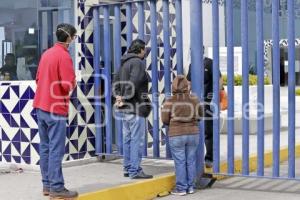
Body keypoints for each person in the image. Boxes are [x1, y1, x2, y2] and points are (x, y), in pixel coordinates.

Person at [33, 23, 78, 199]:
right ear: (68, 38)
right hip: (55, 109)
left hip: (40, 107)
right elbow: (67, 85)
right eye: (73, 37)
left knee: (45, 147)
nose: (73, 41)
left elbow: (38, 79)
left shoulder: (46, 54)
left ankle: (47, 185)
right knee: (56, 150)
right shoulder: (64, 56)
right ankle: (57, 188)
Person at [113, 39, 153, 179]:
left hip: (124, 109)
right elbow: (134, 82)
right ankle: (135, 170)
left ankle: (127, 167)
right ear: (140, 50)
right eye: (145, 49)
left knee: (127, 139)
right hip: (135, 107)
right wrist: (124, 97)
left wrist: (118, 96)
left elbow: (115, 81)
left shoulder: (123, 62)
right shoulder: (137, 62)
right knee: (136, 140)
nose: (145, 52)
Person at [161, 75, 203, 196]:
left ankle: (181, 188)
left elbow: (164, 119)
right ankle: (190, 187)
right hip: (193, 133)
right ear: (187, 85)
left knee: (180, 161)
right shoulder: (194, 99)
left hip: (176, 134)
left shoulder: (170, 100)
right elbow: (200, 116)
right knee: (190, 160)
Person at [187, 47, 222, 168]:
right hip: (195, 104)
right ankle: (197, 157)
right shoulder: (192, 65)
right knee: (195, 130)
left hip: (208, 103)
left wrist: (215, 98)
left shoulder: (210, 63)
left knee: (208, 131)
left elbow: (219, 80)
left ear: (201, 51)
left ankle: (210, 158)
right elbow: (189, 83)